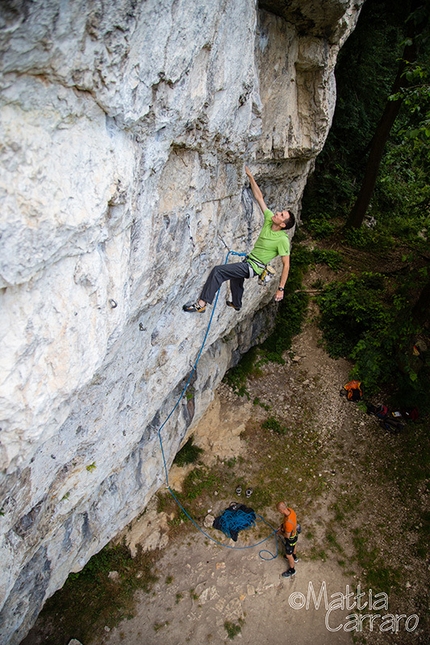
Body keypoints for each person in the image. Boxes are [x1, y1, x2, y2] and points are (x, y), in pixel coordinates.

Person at [183, 166, 295, 313]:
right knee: (236, 277)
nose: (278, 213)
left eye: (281, 215)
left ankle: (201, 304)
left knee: (219, 272)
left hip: (254, 267)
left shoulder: (282, 240)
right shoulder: (269, 220)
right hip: (249, 262)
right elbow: (259, 197)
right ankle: (237, 303)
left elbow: (286, 265)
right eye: (280, 212)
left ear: (282, 224)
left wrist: (281, 289)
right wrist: (250, 177)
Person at [277, 501, 299, 578]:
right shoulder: (290, 510)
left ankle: (292, 570)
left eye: (279, 511)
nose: (279, 512)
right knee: (295, 545)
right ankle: (295, 556)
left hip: (291, 539)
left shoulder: (288, 524)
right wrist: (282, 526)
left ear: (281, 510)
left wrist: (280, 532)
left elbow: (287, 536)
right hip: (295, 533)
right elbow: (286, 521)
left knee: (288, 555)